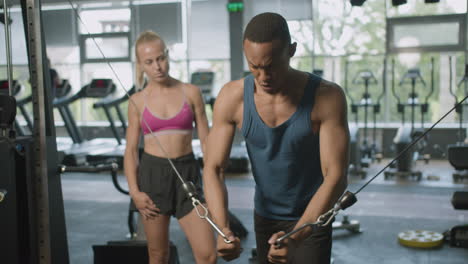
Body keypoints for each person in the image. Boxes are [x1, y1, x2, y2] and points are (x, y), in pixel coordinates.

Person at [203, 12, 349, 264]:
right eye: (254, 66)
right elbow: (213, 168)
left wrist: (296, 236)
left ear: (291, 51)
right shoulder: (232, 97)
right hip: (265, 216)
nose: (263, 77)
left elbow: (335, 177)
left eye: (271, 66)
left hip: (312, 216)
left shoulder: (327, 97)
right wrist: (223, 229)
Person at [124, 30, 216, 264]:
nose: (157, 66)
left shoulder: (191, 92)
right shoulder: (137, 101)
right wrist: (135, 192)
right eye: (149, 62)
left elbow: (207, 143)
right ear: (141, 65)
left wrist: (215, 183)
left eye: (161, 58)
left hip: (188, 171)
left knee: (208, 255)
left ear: (167, 55)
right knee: (158, 255)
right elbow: (132, 151)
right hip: (153, 175)